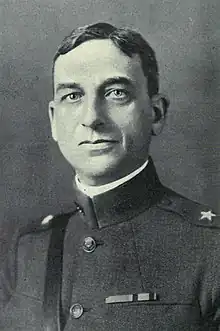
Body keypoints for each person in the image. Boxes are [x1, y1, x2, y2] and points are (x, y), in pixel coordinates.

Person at [0, 22, 219, 331]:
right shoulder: (25, 249)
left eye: (117, 93)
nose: (91, 118)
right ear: (53, 120)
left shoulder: (211, 247)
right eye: (73, 96)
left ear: (156, 113)